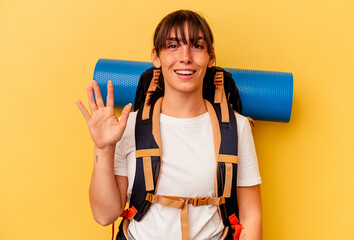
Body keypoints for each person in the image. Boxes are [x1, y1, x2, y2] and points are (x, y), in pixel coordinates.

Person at [76, 10, 262, 240]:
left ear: (210, 57)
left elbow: (251, 216)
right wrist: (103, 148)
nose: (185, 57)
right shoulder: (128, 126)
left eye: (196, 46)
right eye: (173, 46)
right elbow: (105, 216)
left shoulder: (236, 128)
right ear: (156, 56)